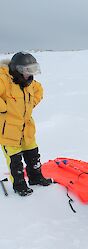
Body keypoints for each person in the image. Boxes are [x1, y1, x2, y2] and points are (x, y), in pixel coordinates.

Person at [0, 52, 52, 196]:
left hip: (26, 127)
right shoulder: (3, 80)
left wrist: (30, 104)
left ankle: (36, 178)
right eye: (27, 71)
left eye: (32, 70)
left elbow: (39, 90)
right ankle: (19, 185)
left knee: (33, 154)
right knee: (15, 160)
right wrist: (3, 108)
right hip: (8, 130)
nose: (30, 74)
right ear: (17, 70)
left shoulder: (29, 83)